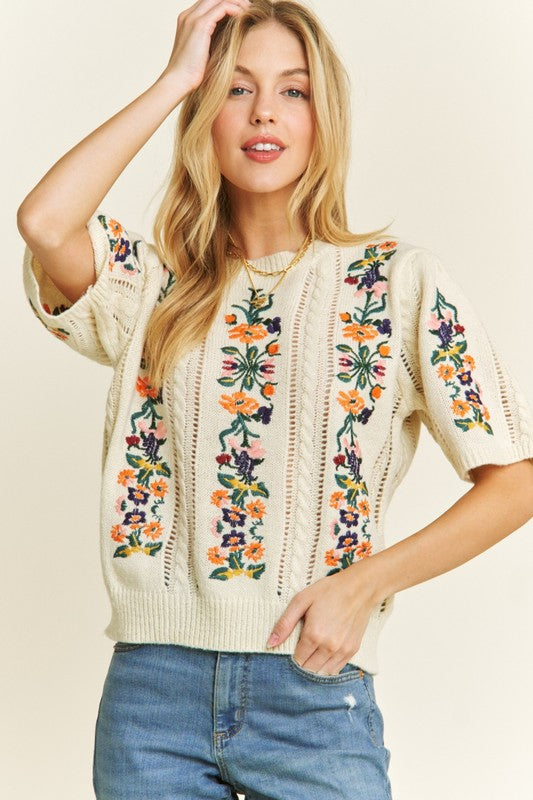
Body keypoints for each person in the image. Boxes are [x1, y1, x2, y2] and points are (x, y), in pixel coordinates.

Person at [16, 1, 533, 798]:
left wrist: (363, 584)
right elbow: (45, 222)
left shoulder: (395, 285)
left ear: (324, 118)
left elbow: (514, 480)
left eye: (293, 91)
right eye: (235, 88)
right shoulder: (151, 286)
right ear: (204, 114)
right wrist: (175, 78)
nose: (264, 112)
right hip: (152, 696)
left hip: (312, 689)